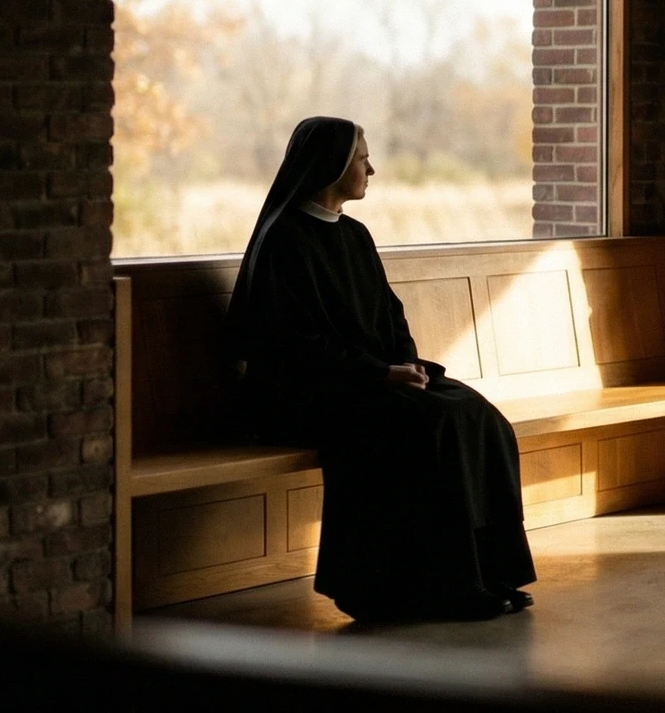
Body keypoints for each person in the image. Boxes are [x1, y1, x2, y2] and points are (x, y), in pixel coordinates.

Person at [225, 116, 536, 622]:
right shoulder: (284, 241)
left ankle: (487, 572)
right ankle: (442, 585)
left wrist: (406, 363)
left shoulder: (354, 234)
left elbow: (389, 313)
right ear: (332, 165)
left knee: (479, 416)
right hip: (303, 394)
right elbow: (291, 346)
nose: (373, 168)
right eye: (362, 157)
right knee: (432, 425)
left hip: (368, 380)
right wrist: (379, 374)